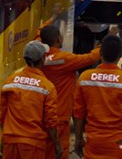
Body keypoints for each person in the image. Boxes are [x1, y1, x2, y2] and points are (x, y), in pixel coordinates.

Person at [73, 35, 122, 158]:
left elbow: (78, 113)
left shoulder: (85, 78)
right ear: (120, 55)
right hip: (121, 146)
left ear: (100, 53)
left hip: (94, 145)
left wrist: (78, 138)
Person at [39, 24, 102, 158]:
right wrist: (104, 46)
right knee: (60, 151)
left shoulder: (38, 58)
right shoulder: (65, 59)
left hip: (40, 115)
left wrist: (50, 19)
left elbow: (38, 33)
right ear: (57, 39)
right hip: (59, 116)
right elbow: (89, 58)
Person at [0, 40, 60, 159]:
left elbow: (3, 114)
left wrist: (3, 139)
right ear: (42, 59)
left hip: (10, 142)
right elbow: (50, 122)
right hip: (33, 145)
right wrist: (57, 144)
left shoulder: (10, 81)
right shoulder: (47, 87)